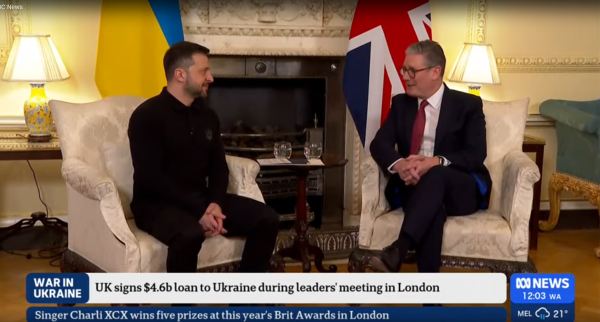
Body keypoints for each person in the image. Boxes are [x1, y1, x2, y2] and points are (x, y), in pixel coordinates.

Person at [128, 41, 280, 274]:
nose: (210, 78)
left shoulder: (207, 115)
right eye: (203, 71)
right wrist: (201, 210)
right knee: (189, 234)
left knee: (267, 218)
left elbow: (219, 167)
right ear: (180, 74)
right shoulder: (146, 116)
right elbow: (152, 179)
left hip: (202, 200)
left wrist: (214, 205)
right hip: (156, 206)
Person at [368, 40, 492, 275]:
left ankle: (400, 247)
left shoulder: (467, 105)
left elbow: (476, 154)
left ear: (436, 72)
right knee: (433, 209)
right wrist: (401, 164)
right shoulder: (401, 103)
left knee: (436, 175)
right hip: (413, 186)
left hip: (459, 187)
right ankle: (430, 300)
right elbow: (379, 144)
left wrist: (436, 162)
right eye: (404, 69)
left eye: (412, 71)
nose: (405, 76)